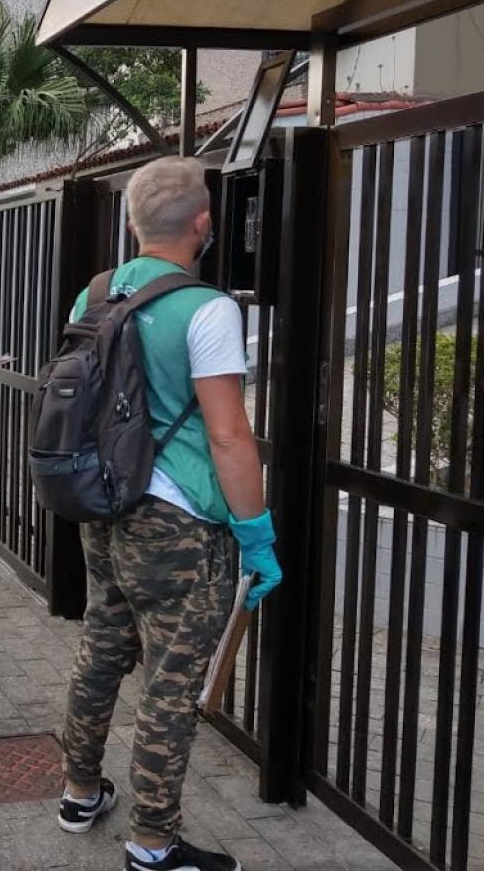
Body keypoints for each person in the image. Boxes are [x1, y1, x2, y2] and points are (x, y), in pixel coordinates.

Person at [55, 158, 282, 871]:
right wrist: (256, 535)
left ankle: (79, 789)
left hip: (106, 507)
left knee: (103, 646)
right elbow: (228, 433)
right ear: (205, 224)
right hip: (180, 523)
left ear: (133, 223)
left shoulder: (93, 295)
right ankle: (154, 841)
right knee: (172, 680)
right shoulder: (208, 308)